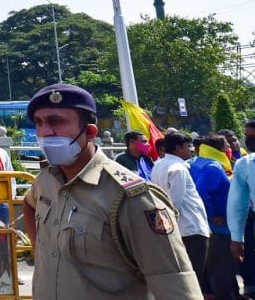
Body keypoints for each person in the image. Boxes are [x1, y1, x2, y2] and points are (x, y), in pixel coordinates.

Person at [21, 83, 202, 299]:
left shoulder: (133, 198)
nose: (45, 133)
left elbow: (176, 286)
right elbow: (29, 205)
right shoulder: (46, 180)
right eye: (39, 123)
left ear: (89, 132)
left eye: (56, 122)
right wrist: (42, 254)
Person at [150, 132, 210, 293]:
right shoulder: (178, 169)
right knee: (194, 274)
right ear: (178, 148)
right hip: (190, 228)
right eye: (187, 146)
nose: (191, 150)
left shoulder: (158, 165)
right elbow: (174, 202)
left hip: (174, 228)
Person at [191, 134, 237, 300]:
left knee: (217, 264)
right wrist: (213, 215)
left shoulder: (199, 162)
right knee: (221, 266)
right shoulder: (212, 167)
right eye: (226, 145)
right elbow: (201, 191)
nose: (229, 149)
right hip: (220, 224)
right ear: (219, 149)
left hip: (214, 224)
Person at [228, 120, 255, 298]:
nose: (249, 140)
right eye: (247, 136)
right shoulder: (245, 165)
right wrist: (237, 238)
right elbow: (237, 203)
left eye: (252, 136)